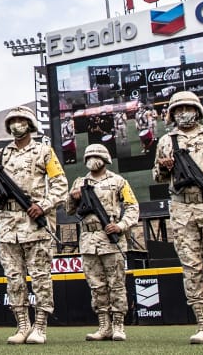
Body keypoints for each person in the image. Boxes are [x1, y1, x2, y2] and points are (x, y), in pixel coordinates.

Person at [153, 90, 203, 344]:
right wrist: (164, 168)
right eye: (178, 110)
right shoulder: (166, 141)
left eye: (187, 108)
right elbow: (156, 176)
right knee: (192, 269)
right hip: (182, 211)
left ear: (197, 110)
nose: (183, 113)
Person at [0, 106, 68, 345]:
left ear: (29, 124)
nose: (16, 125)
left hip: (35, 222)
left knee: (40, 276)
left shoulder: (44, 151)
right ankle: (22, 325)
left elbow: (61, 185)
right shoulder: (0, 156)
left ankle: (40, 325)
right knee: (14, 278)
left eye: (21, 120)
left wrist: (44, 205)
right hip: (8, 224)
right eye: (13, 121)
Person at [67, 144, 138, 342]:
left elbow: (132, 207)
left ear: (105, 159)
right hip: (89, 241)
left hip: (111, 239)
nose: (93, 158)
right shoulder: (79, 182)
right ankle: (103, 325)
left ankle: (118, 325)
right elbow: (69, 210)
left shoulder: (118, 181)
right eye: (89, 155)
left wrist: (122, 225)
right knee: (96, 286)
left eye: (96, 155)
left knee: (116, 284)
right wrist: (73, 198)